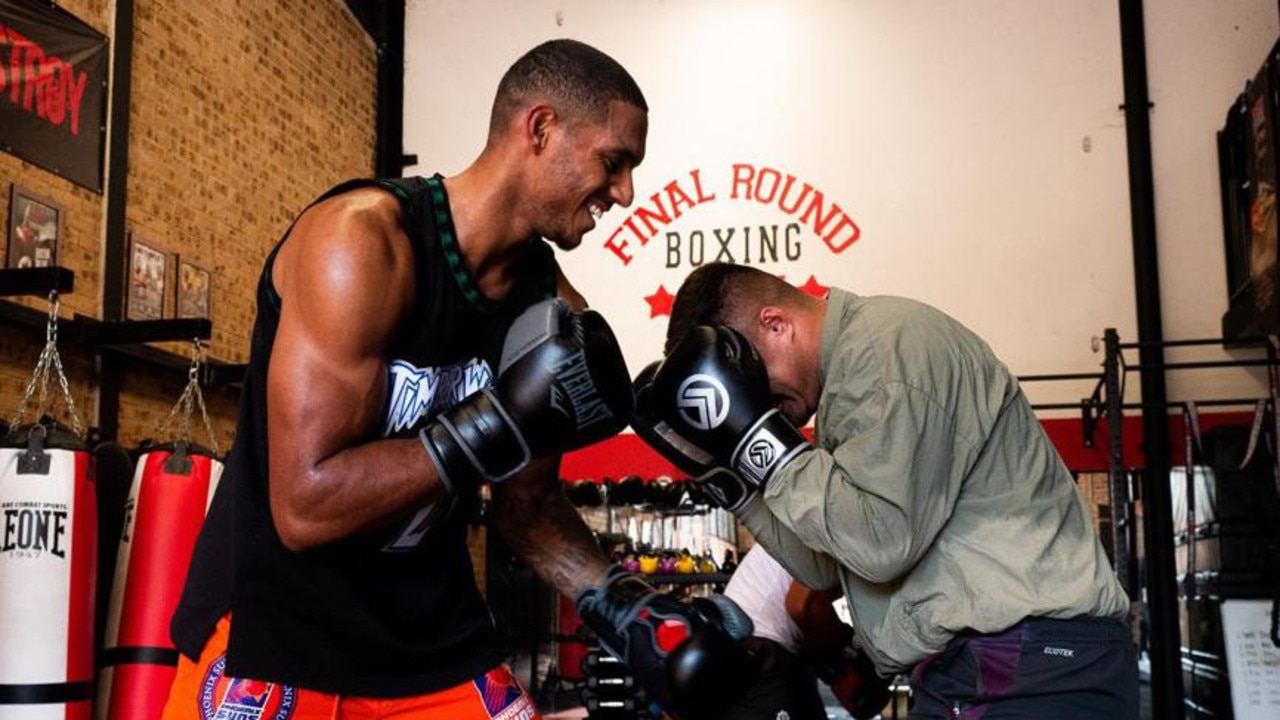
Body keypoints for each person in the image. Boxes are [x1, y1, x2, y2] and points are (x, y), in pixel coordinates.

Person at [163, 40, 749, 720]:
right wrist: (494, 424)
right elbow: (304, 505)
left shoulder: (548, 312)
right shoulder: (362, 244)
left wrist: (633, 610)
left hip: (431, 641)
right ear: (540, 129)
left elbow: (526, 508)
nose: (625, 192)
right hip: (278, 635)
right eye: (613, 162)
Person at [631, 262, 1138, 719]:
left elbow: (880, 544)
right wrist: (731, 478)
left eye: (750, 384)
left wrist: (759, 440)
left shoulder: (886, 348)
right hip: (988, 667)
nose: (757, 404)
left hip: (1033, 667)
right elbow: (827, 564)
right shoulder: (846, 386)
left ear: (776, 324)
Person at [722, 545, 891, 720]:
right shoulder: (841, 528)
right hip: (760, 647)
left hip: (772, 645)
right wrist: (847, 650)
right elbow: (802, 607)